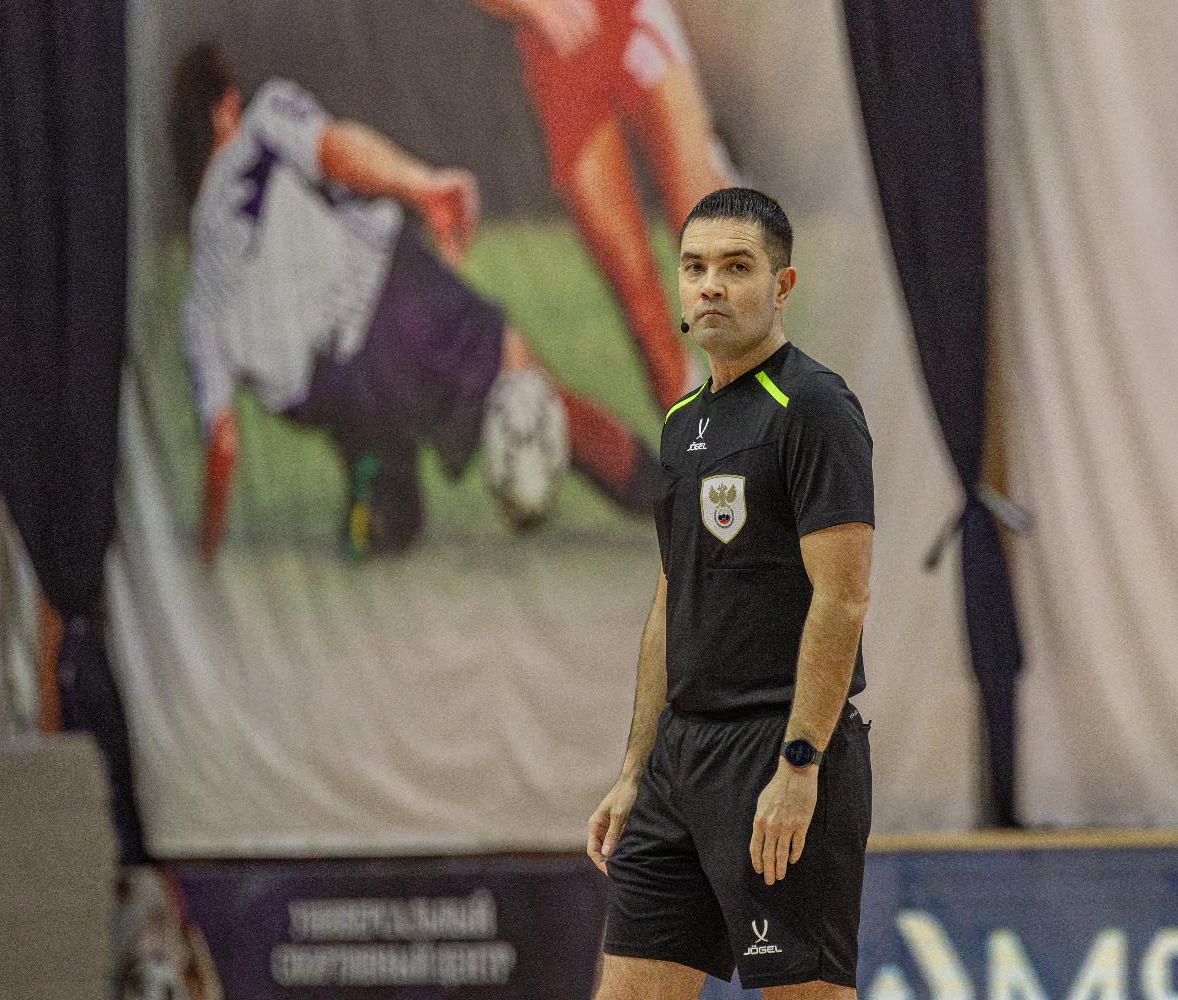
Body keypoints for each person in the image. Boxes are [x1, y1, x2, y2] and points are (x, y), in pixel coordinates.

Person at [168, 43, 662, 562]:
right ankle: (671, 498)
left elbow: (222, 444)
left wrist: (204, 554)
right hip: (395, 309)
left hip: (332, 396)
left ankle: (381, 479)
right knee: (531, 390)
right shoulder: (260, 127)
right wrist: (421, 186)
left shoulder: (197, 307)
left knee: (380, 455)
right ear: (223, 110)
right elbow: (336, 151)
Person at [585, 188, 874, 997]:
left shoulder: (814, 407)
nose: (710, 284)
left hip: (774, 753)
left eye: (736, 267)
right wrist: (636, 769)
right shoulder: (680, 423)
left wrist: (800, 763)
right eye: (694, 267)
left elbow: (843, 598)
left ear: (782, 287)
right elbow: (670, 601)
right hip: (679, 764)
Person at [475, 0, 736, 411]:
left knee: (715, 252)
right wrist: (534, 6)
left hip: (628, 16)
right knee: (642, 307)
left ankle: (778, 424)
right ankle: (704, 443)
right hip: (555, 56)